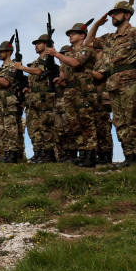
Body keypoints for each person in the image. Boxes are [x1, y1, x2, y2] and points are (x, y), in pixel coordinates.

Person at [87, 0, 136, 164]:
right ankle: (129, 155)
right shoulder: (109, 39)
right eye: (112, 14)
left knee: (134, 119)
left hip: (132, 82)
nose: (113, 16)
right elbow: (88, 43)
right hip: (113, 84)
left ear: (127, 15)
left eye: (117, 13)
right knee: (120, 122)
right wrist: (96, 25)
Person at [47, 22, 97, 167]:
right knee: (74, 125)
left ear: (82, 35)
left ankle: (90, 154)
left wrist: (56, 54)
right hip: (70, 93)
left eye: (73, 33)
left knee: (86, 122)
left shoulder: (86, 50)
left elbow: (76, 63)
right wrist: (60, 78)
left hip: (83, 91)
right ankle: (82, 153)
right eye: (69, 34)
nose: (70, 36)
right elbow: (64, 73)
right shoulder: (67, 55)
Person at [14, 34, 56, 163]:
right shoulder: (36, 61)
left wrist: (22, 67)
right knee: (34, 126)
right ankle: (39, 152)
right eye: (35, 44)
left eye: (39, 43)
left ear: (46, 45)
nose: (36, 46)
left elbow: (40, 72)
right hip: (34, 98)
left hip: (44, 97)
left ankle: (49, 153)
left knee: (46, 125)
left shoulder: (48, 59)